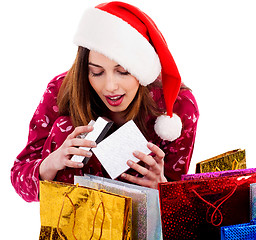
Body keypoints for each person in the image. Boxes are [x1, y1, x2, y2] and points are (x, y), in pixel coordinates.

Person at [10, 1, 199, 202]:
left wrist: (161, 186)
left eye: (123, 71)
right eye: (96, 72)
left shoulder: (177, 107)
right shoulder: (61, 89)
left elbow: (180, 206)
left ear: (141, 68)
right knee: (65, 127)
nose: (110, 86)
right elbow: (19, 177)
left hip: (138, 221)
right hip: (72, 220)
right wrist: (51, 162)